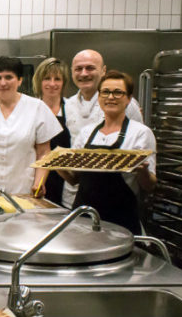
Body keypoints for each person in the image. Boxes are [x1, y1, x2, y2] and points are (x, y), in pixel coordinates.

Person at [58, 71, 156, 235]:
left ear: (129, 98)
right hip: (84, 217)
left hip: (120, 218)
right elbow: (75, 179)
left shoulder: (140, 133)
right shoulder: (87, 132)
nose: (111, 97)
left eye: (118, 92)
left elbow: (150, 186)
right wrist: (58, 166)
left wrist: (142, 171)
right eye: (105, 92)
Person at [0, 57, 62, 196]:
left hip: (23, 191)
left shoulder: (37, 107)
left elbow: (44, 153)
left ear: (20, 80)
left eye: (9, 77)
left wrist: (38, 184)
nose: (2, 83)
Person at [62, 49, 143, 207]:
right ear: (72, 72)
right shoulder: (69, 104)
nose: (84, 74)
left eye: (90, 68)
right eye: (78, 69)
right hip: (74, 195)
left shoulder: (127, 105)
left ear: (103, 71)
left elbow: (139, 143)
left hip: (115, 197)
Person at [31, 58, 71, 205]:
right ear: (39, 81)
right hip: (35, 177)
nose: (52, 84)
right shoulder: (30, 109)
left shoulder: (72, 110)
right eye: (47, 78)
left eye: (57, 79)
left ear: (64, 82)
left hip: (65, 180)